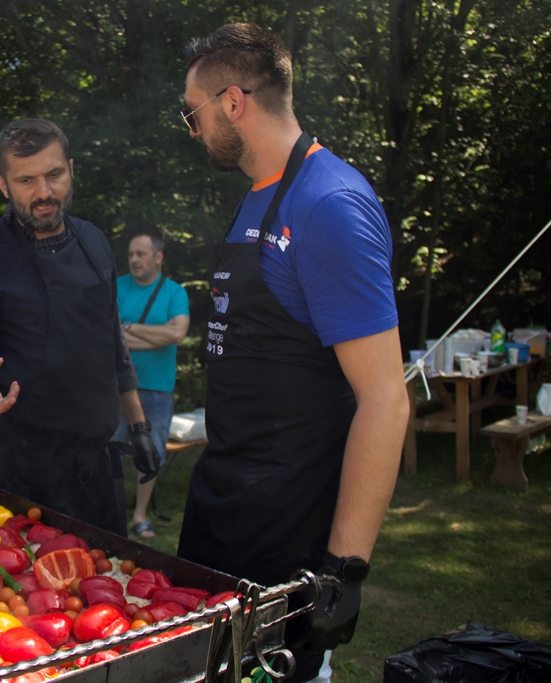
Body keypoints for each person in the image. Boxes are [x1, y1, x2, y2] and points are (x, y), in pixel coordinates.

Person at [175, 24, 409, 683]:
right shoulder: (257, 195)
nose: (190, 128)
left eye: (191, 111)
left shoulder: (327, 204)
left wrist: (344, 569)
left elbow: (386, 398)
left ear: (232, 102)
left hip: (288, 542)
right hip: (224, 516)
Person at [0, 118, 160, 537]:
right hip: (28, 477)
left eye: (54, 175)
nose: (44, 193)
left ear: (71, 169)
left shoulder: (93, 241)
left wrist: (139, 428)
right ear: (3, 185)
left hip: (100, 467)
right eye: (26, 180)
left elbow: (114, 347)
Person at [113, 230, 189, 538]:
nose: (134, 260)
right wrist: (156, 333)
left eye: (141, 254)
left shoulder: (174, 293)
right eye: (131, 254)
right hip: (116, 388)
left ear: (158, 257)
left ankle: (140, 516)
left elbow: (177, 335)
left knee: (152, 452)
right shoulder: (117, 287)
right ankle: (113, 509)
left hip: (156, 388)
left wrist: (127, 329)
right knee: (112, 450)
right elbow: (108, 334)